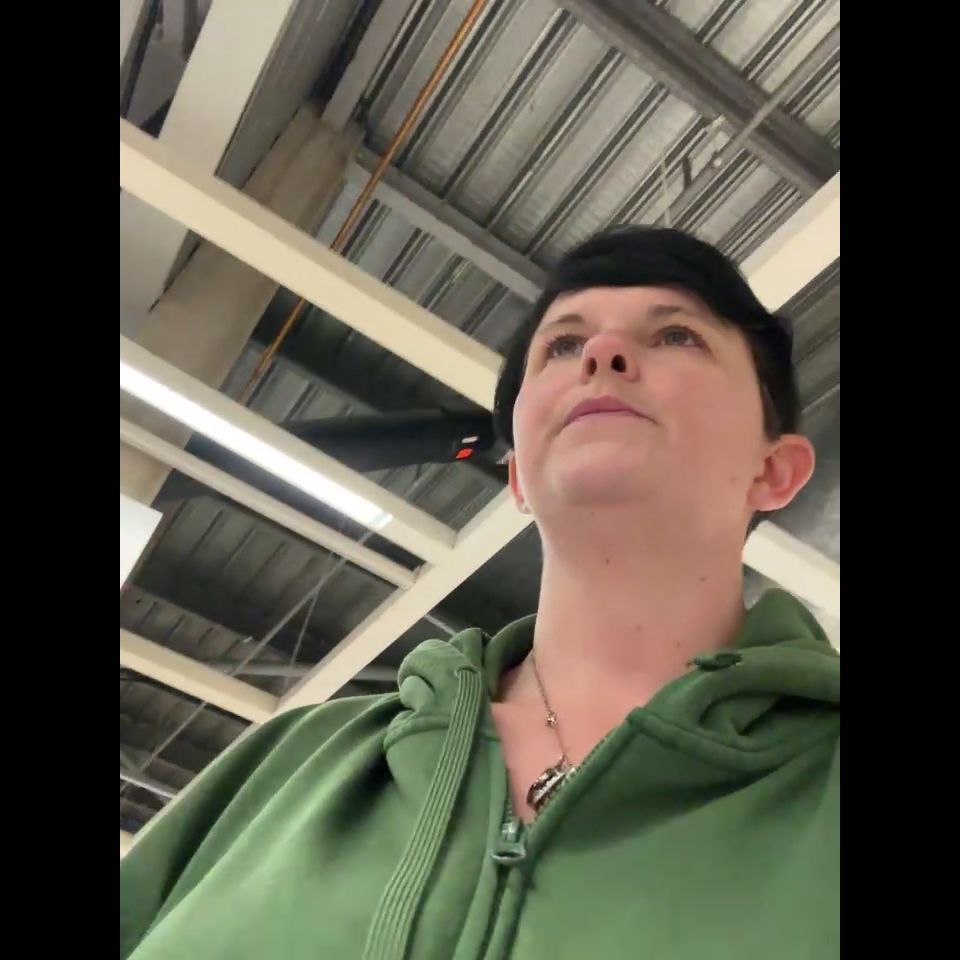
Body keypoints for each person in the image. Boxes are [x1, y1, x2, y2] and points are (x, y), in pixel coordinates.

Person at [120, 227, 839, 960]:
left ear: (774, 470)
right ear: (518, 476)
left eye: (677, 335)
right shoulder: (291, 763)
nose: (602, 354)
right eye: (563, 345)